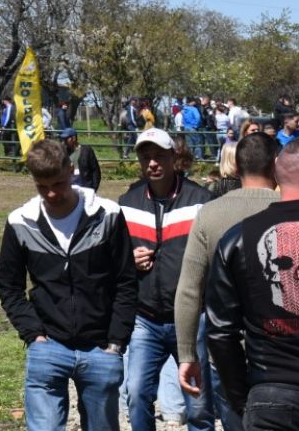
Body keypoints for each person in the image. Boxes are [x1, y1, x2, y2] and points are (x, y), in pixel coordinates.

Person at [0, 139, 136, 431]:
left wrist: (116, 342)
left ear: (71, 171)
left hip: (101, 346)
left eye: (58, 184)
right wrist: (33, 334)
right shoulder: (21, 222)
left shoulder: (107, 215)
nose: (51, 193)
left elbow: (126, 281)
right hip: (48, 343)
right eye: (42, 186)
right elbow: (8, 286)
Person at [205, 135, 299, 428]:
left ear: (276, 175)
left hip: (271, 396)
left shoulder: (236, 239)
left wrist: (244, 401)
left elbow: (221, 332)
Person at [173, 132, 279, 431]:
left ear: (235, 167)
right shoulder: (293, 208)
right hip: (283, 351)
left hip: (227, 346)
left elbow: (189, 290)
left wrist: (186, 354)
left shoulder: (210, 214)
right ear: (275, 164)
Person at [118, 128, 214, 431]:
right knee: (136, 394)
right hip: (145, 318)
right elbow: (113, 258)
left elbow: (215, 256)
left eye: (159, 156)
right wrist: (128, 261)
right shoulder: (128, 202)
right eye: (145, 157)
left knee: (198, 404)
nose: (152, 163)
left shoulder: (200, 200)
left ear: (174, 157)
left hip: (191, 318)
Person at [60, 128, 101, 192]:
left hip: (85, 186)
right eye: (63, 139)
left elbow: (95, 170)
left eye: (66, 139)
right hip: (70, 187)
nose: (64, 141)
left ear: (73, 138)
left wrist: (93, 189)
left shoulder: (86, 151)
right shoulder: (64, 152)